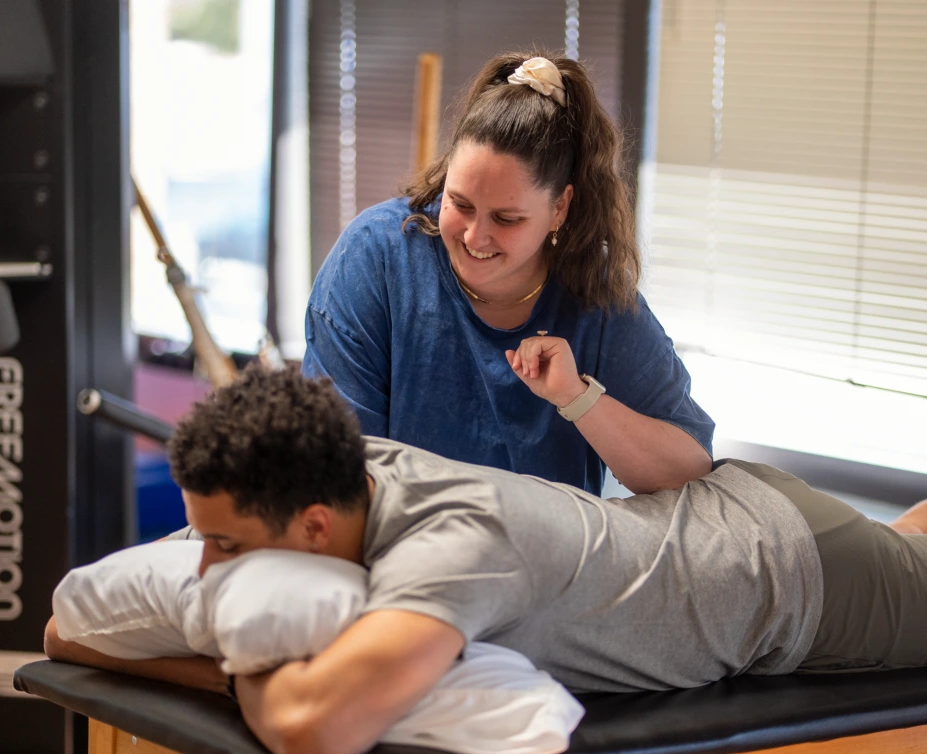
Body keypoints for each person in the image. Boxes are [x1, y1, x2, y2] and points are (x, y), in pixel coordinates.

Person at [44, 368, 927, 754]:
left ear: (314, 527)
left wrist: (227, 655)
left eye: (224, 546)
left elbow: (315, 726)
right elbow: (67, 633)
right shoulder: (345, 466)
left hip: (800, 581)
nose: (207, 567)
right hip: (741, 516)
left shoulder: (450, 555)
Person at [301, 52, 713, 495]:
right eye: (459, 204)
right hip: (397, 551)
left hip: (549, 558)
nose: (476, 238)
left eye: (506, 219)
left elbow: (689, 470)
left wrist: (577, 397)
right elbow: (331, 473)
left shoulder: (594, 292)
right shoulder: (377, 258)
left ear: (560, 208)